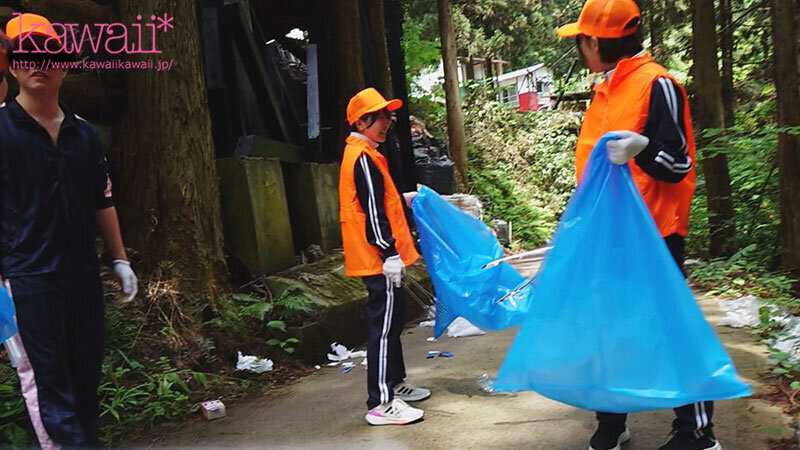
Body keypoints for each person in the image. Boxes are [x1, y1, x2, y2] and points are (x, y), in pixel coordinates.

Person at [556, 1, 717, 449]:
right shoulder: (607, 88)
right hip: (610, 236)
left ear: (594, 41)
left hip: (654, 234)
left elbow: (678, 160)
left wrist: (643, 147)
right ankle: (612, 422)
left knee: (670, 328)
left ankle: (697, 433)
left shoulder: (657, 84)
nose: (579, 50)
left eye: (580, 41)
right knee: (607, 329)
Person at [0, 13, 138, 448]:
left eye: (48, 54)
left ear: (65, 63)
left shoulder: (83, 135)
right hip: (25, 279)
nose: (38, 63)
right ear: (11, 65)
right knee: (47, 382)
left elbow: (103, 200)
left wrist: (119, 259)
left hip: (81, 275)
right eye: (26, 55)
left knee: (84, 376)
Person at [339, 87, 431, 426]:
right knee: (383, 326)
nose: (387, 122)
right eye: (380, 117)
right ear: (362, 121)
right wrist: (388, 253)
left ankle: (395, 384)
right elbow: (371, 211)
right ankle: (380, 402)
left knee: (392, 322)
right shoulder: (362, 157)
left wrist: (403, 198)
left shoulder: (366, 153)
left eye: (388, 116)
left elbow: (380, 201)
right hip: (378, 258)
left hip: (380, 257)